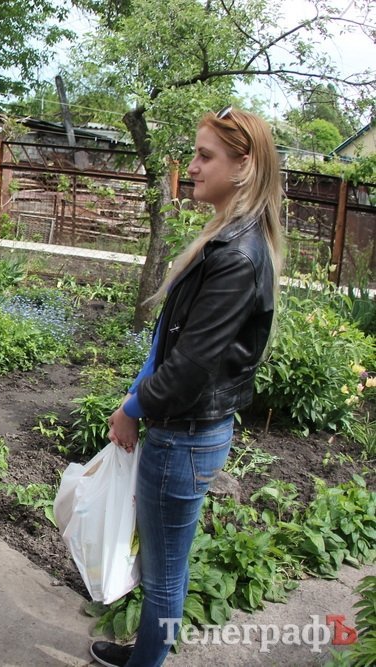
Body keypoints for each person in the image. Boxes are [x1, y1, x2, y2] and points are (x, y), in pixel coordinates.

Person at [89, 107, 284, 667]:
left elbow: (190, 368)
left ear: (243, 166)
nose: (193, 166)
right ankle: (143, 655)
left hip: (184, 439)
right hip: (184, 435)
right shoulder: (228, 237)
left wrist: (132, 407)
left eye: (206, 156)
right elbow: (173, 343)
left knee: (165, 575)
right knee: (163, 565)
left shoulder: (237, 258)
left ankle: (146, 663)